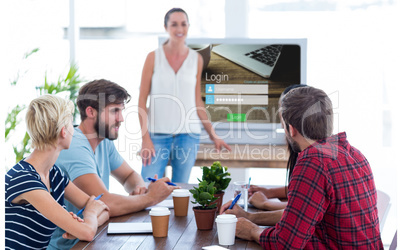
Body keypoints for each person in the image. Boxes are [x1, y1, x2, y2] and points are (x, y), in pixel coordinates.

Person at [221, 86, 383, 249]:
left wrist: (252, 231)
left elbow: (285, 244)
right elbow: (299, 222)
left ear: (291, 129)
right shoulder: (354, 153)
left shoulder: (313, 162)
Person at [48, 79, 179, 250]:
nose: (121, 119)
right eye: (115, 111)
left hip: (94, 238)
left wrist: (139, 188)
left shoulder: (103, 141)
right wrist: (150, 197)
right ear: (91, 112)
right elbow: (106, 201)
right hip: (72, 246)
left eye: (121, 111)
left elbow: (128, 176)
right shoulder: (74, 145)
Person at [138, 8, 231, 183]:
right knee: (147, 186)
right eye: (174, 24)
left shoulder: (196, 59)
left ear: (188, 26)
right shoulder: (153, 57)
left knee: (179, 190)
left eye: (183, 24)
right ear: (166, 27)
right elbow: (142, 100)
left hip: (188, 136)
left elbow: (197, 102)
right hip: (157, 135)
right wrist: (145, 138)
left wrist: (213, 135)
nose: (179, 29)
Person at [5, 95, 110, 249]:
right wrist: (89, 218)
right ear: (63, 132)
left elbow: (104, 210)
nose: (74, 131)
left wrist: (83, 225)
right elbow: (88, 231)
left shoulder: (54, 173)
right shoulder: (24, 179)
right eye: (71, 125)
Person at [247, 85, 305, 212]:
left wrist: (266, 203)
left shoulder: (310, 155)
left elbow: (303, 208)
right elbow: (302, 189)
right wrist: (269, 192)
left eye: (281, 109)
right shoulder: (301, 145)